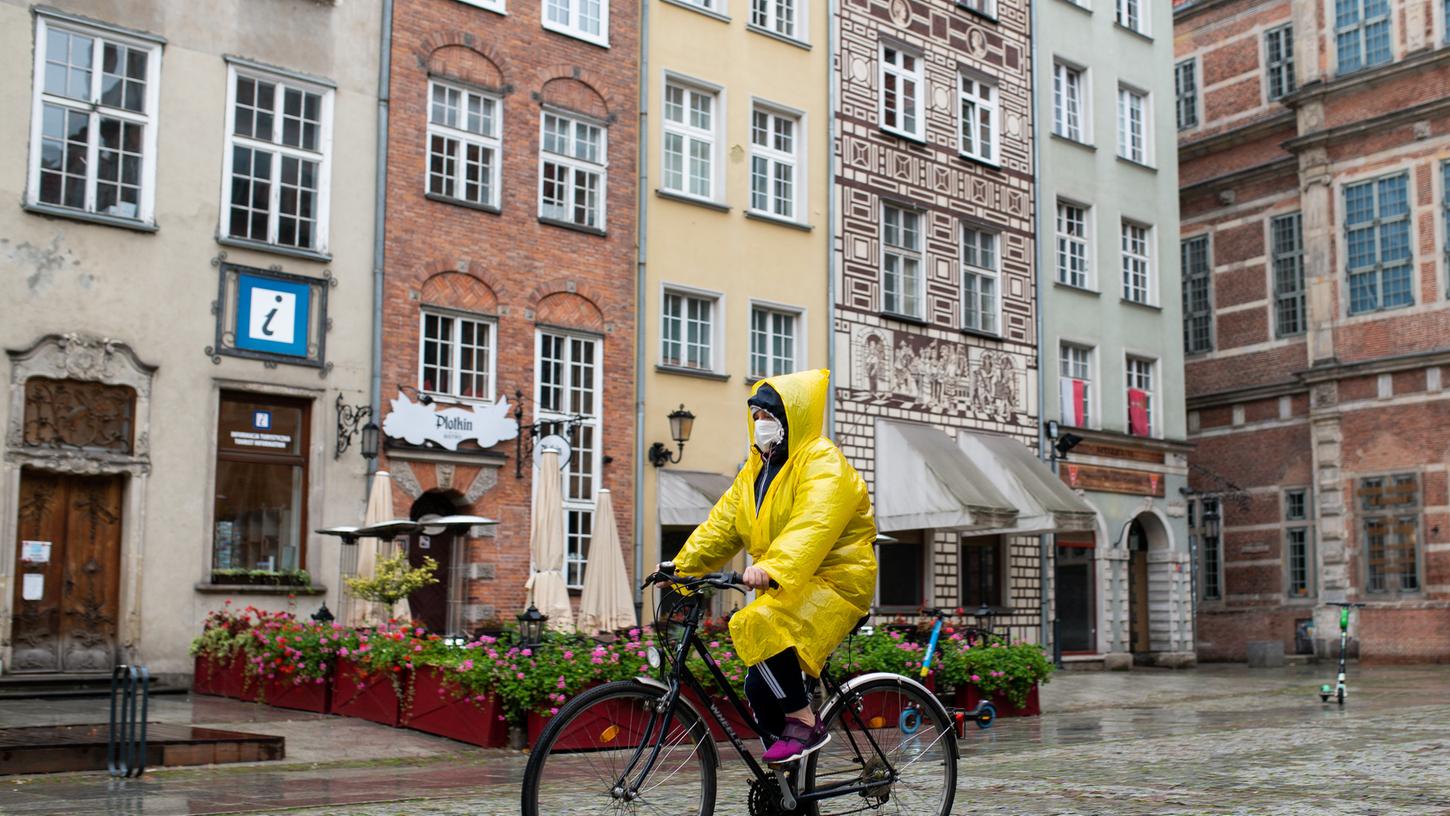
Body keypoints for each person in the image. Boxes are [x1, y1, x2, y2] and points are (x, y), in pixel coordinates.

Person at [663, 369, 878, 764]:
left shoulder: (823, 463)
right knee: (759, 686)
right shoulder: (756, 471)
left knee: (754, 621)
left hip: (836, 582)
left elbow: (814, 523)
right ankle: (785, 783)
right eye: (757, 416)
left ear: (792, 417)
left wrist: (773, 567)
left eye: (769, 416)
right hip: (791, 585)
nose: (761, 424)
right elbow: (722, 525)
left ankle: (803, 722)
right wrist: (680, 567)